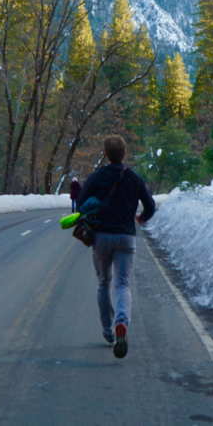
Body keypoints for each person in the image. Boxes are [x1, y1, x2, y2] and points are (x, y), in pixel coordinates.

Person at [75, 135, 155, 359]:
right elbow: (150, 206)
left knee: (103, 284)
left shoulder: (97, 177)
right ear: (125, 153)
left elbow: (81, 204)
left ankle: (109, 332)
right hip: (126, 237)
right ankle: (122, 321)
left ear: (106, 154)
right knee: (122, 285)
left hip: (101, 237)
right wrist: (141, 217)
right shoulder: (134, 178)